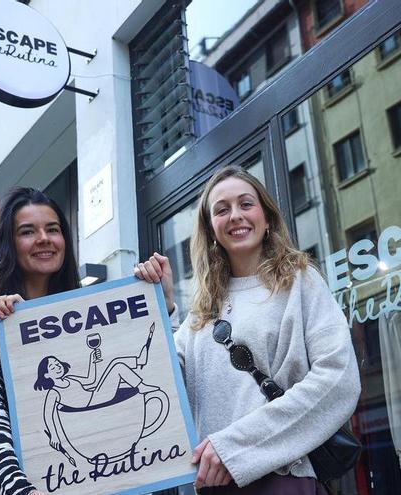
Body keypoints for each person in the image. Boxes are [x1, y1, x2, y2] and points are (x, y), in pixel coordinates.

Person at [135, 165, 361, 493]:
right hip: (213, 486)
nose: (235, 216)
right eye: (222, 210)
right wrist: (163, 306)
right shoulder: (202, 310)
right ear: (211, 229)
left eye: (246, 204)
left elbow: (338, 379)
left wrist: (235, 449)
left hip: (281, 479)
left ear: (266, 218)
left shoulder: (300, 281)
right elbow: (160, 382)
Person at [0, 187, 79, 495]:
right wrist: (17, 487)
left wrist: (159, 303)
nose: (44, 239)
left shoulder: (80, 312)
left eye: (53, 229)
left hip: (75, 477)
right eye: (27, 232)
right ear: (9, 244)